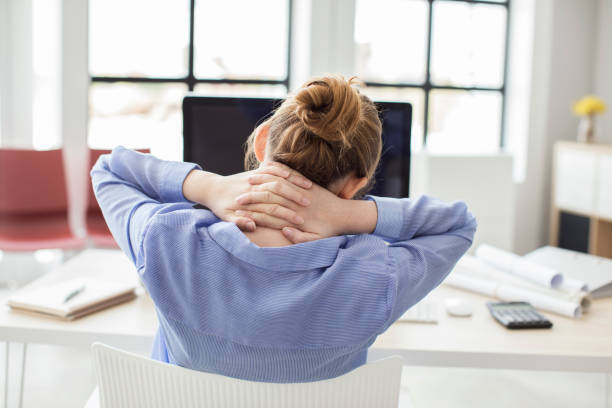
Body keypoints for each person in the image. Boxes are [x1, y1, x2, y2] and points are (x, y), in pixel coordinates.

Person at [91, 75, 477, 383]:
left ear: (261, 144)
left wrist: (209, 186)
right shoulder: (376, 275)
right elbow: (458, 224)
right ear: (356, 183)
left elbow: (110, 170)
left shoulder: (167, 238)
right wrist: (348, 214)